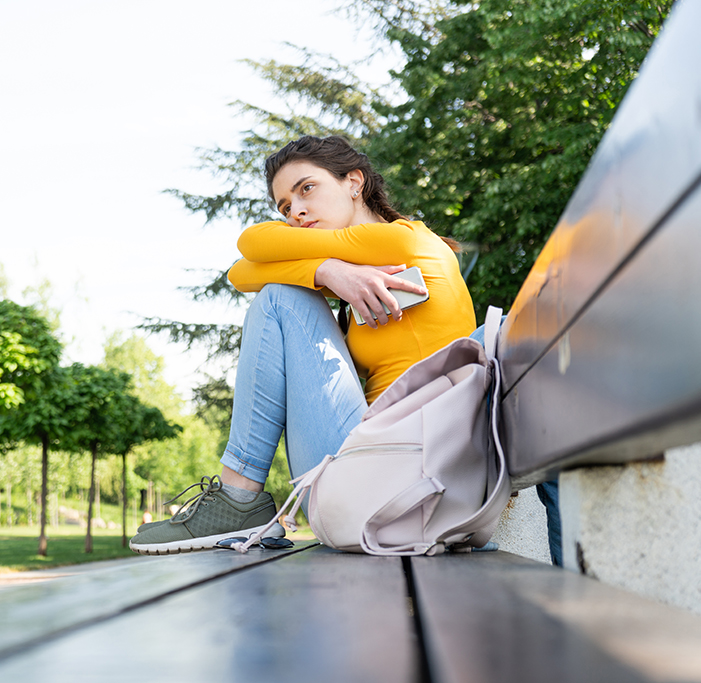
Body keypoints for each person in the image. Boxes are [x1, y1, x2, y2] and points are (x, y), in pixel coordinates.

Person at [129, 135, 477, 555]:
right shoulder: (365, 274)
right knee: (284, 292)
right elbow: (240, 272)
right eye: (284, 206)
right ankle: (239, 502)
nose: (296, 211)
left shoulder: (407, 243)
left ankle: (238, 496)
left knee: (282, 297)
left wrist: (324, 270)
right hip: (394, 481)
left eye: (306, 189)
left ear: (354, 182)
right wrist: (328, 270)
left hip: (403, 485)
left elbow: (252, 247)